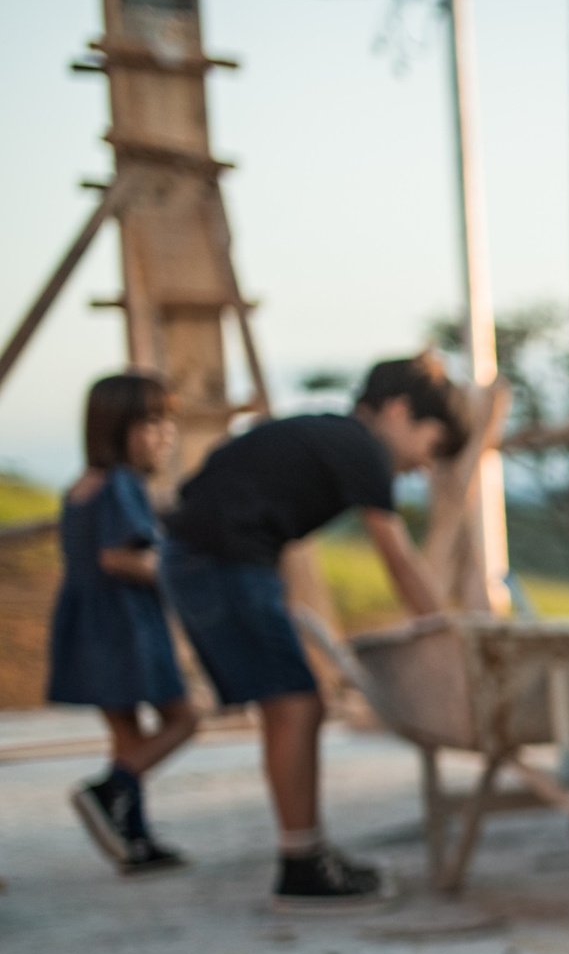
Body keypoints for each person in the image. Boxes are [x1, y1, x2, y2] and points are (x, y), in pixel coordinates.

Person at [160, 355, 460, 911]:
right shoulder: (364, 448)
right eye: (430, 443)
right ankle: (302, 866)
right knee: (297, 705)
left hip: (210, 556)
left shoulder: (331, 434)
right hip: (219, 560)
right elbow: (397, 559)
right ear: (398, 412)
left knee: (295, 704)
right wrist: (450, 638)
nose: (422, 465)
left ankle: (306, 854)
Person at [47, 372, 199, 873]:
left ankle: (133, 839)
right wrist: (179, 573)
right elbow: (118, 556)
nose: (165, 435)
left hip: (87, 624)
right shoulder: (120, 484)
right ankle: (108, 790)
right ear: (116, 427)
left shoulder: (80, 488)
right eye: (152, 423)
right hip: (126, 624)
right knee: (183, 719)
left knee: (127, 739)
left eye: (168, 423)